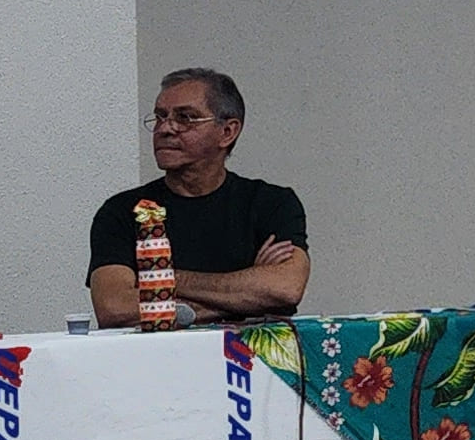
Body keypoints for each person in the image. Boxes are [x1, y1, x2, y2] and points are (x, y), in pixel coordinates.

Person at [84, 67, 311, 329]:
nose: (165, 128)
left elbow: (285, 288)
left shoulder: (272, 203)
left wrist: (162, 279)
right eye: (160, 117)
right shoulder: (124, 211)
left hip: (248, 355)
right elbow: (114, 308)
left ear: (227, 132)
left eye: (185, 118)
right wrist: (245, 301)